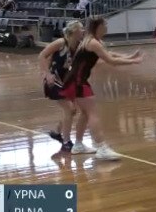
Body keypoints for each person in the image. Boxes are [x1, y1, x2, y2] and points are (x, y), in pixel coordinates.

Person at [60, 16, 143, 160]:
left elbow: (110, 54)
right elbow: (110, 60)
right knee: (93, 113)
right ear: (98, 27)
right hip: (77, 81)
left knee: (86, 114)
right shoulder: (92, 42)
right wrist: (133, 62)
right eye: (105, 24)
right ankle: (101, 147)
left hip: (76, 80)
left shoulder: (93, 41)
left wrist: (130, 57)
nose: (107, 27)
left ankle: (78, 145)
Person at [39, 20, 89, 153]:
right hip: (54, 80)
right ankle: (66, 143)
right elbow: (42, 55)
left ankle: (57, 132)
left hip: (66, 82)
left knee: (72, 111)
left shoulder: (79, 46)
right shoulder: (61, 43)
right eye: (81, 29)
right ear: (74, 31)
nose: (83, 31)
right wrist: (46, 74)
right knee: (70, 109)